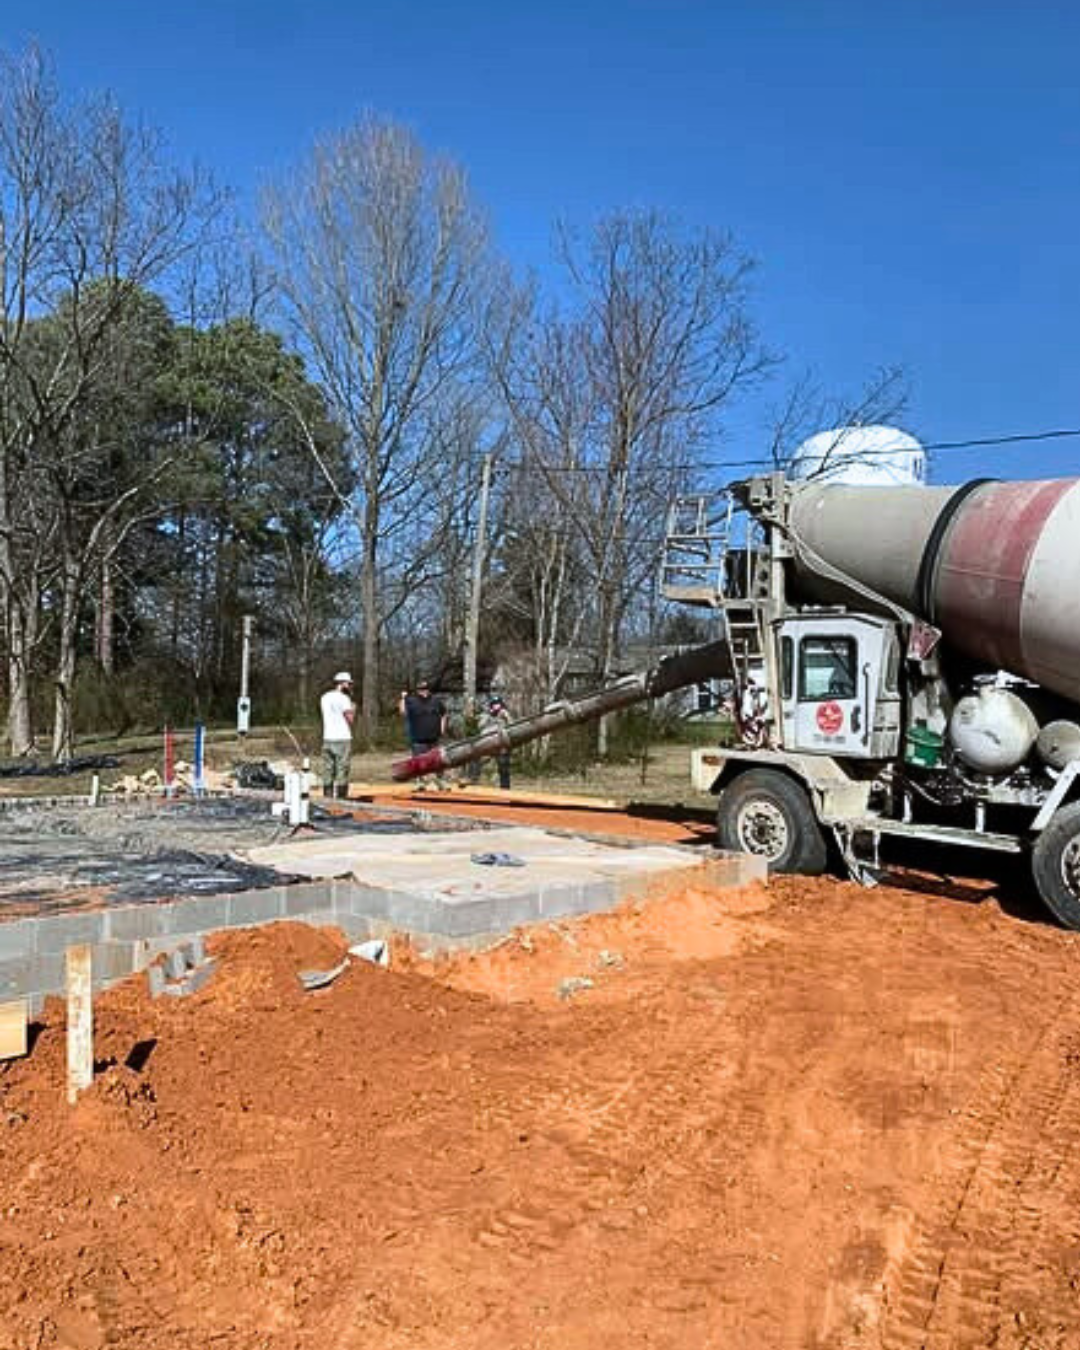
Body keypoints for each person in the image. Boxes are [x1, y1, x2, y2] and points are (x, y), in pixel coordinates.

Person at [398, 679, 449, 790]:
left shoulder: (436, 701)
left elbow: (444, 714)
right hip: (418, 738)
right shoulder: (411, 701)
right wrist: (403, 698)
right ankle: (420, 782)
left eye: (426, 689)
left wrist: (442, 728)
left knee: (438, 761)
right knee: (419, 761)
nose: (424, 691)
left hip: (434, 736)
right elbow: (402, 712)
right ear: (417, 690)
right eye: (421, 689)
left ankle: (440, 781)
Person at [320, 672, 356, 799]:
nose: (350, 686)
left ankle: (327, 798)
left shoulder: (324, 697)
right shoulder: (344, 699)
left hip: (327, 737)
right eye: (348, 683)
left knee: (328, 769)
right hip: (342, 737)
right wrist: (353, 708)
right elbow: (350, 719)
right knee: (342, 769)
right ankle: (341, 799)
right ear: (342, 683)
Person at [479, 695, 512, 790]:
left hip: (502, 746)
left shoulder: (505, 714)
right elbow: (480, 727)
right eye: (494, 704)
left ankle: (505, 789)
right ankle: (488, 788)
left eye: (498, 704)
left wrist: (506, 716)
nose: (496, 706)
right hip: (488, 746)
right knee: (487, 770)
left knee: (504, 769)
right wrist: (489, 715)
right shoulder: (486, 715)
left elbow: (512, 726)